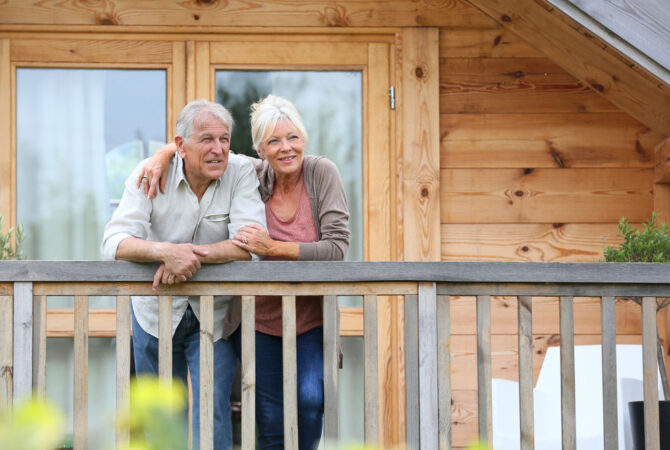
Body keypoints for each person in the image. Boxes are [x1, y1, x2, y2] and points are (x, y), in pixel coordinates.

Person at [138, 94, 350, 450]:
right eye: (274, 141)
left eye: (293, 137)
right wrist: (162, 154)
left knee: (311, 404)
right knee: (268, 421)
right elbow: (201, 147)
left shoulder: (321, 173)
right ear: (259, 149)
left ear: (304, 139)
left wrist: (272, 248)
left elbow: (337, 248)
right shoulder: (249, 173)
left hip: (311, 319)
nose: (287, 148)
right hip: (259, 321)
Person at [101, 99, 266, 449]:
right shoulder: (148, 172)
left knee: (212, 414)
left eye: (224, 139)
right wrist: (164, 252)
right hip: (153, 311)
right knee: (163, 420)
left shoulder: (240, 172)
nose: (218, 149)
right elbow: (113, 242)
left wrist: (190, 259)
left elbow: (251, 243)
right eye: (207, 139)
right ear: (180, 146)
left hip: (215, 314)